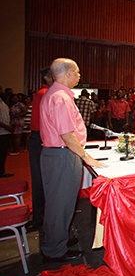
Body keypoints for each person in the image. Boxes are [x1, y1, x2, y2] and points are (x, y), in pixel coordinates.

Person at [39, 58, 106, 263]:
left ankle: (57, 240)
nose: (79, 76)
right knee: (60, 204)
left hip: (58, 154)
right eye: (77, 72)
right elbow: (67, 135)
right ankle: (54, 250)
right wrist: (86, 157)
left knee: (60, 203)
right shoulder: (61, 97)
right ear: (67, 73)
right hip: (62, 155)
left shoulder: (56, 94)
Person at [27, 67, 53, 228]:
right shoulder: (46, 94)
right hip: (40, 139)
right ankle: (40, 219)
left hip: (39, 138)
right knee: (42, 181)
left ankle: (42, 218)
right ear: (48, 77)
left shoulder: (44, 93)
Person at [0, 93, 12, 178]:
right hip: (1, 132)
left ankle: (2, 171)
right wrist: (7, 127)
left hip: (5, 132)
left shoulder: (3, 103)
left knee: (3, 153)